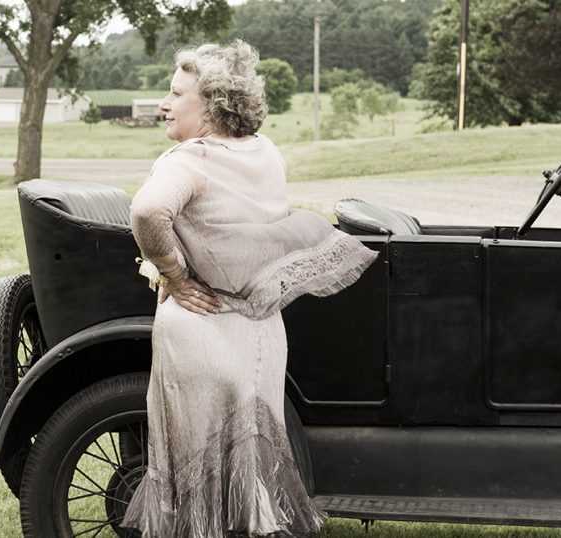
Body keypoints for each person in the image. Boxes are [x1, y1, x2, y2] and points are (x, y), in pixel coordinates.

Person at [121, 40, 379, 537]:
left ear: (212, 104)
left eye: (176, 94)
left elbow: (146, 211)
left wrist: (174, 274)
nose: (164, 104)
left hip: (202, 327)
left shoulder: (187, 160)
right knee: (250, 470)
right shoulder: (265, 152)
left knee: (196, 473)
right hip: (261, 332)